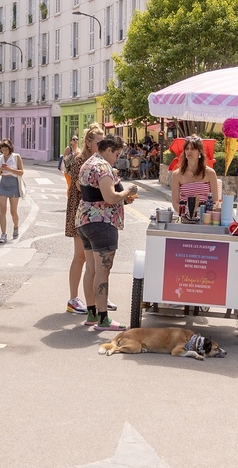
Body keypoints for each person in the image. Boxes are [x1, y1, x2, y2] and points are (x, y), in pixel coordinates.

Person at [77, 135, 137, 331]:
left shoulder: (88, 163)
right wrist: (126, 192)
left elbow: (82, 187)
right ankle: (103, 319)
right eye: (117, 154)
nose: (116, 159)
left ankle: (92, 314)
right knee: (103, 271)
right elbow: (110, 197)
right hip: (102, 221)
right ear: (109, 149)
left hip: (85, 220)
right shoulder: (103, 167)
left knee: (91, 269)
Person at [65, 124, 103, 316]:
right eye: (99, 142)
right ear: (89, 143)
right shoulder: (81, 161)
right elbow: (81, 187)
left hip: (94, 212)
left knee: (95, 259)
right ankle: (73, 299)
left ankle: (96, 297)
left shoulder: (99, 159)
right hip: (80, 211)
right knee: (80, 257)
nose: (102, 145)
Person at [170, 135, 221, 216]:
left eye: (193, 149)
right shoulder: (177, 174)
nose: (189, 151)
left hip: (205, 214)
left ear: (199, 151)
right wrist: (186, 215)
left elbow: (215, 201)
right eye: (187, 149)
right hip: (185, 215)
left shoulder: (210, 173)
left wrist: (206, 215)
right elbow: (175, 202)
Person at [0, 139, 24, 243]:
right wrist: (1, 170)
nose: (4, 150)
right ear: (0, 149)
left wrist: (10, 169)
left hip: (13, 183)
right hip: (3, 183)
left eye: (6, 148)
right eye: (2, 148)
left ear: (10, 148)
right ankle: (3, 234)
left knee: (13, 211)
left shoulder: (16, 157)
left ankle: (16, 227)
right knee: (2, 210)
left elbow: (21, 172)